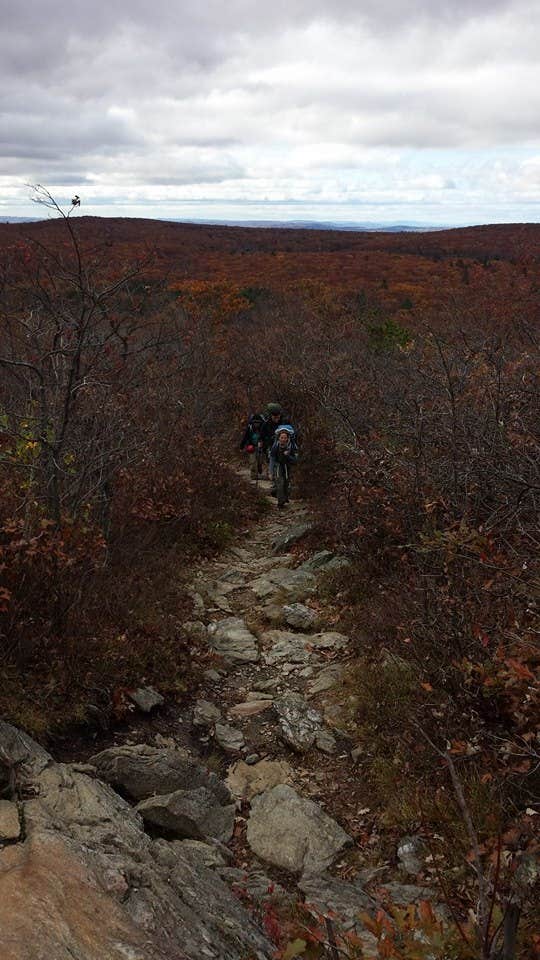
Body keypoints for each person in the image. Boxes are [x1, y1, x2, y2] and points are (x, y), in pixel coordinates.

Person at [263, 402, 293, 483]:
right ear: (271, 415)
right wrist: (262, 442)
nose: (276, 418)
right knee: (272, 458)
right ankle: (273, 478)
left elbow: (292, 431)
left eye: (278, 416)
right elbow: (262, 434)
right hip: (271, 444)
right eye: (274, 416)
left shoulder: (284, 421)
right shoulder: (266, 423)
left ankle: (289, 477)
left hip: (285, 443)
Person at [270, 426, 298, 507]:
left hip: (287, 466)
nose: (283, 439)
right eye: (281, 437)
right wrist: (271, 472)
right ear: (278, 438)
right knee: (280, 482)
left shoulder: (292, 446)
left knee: (286, 483)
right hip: (278, 466)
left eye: (285, 438)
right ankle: (280, 502)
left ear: (288, 438)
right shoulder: (275, 446)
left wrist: (288, 456)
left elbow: (295, 460)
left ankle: (285, 497)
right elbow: (272, 459)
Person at [240, 412, 267, 479]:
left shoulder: (263, 428)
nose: (256, 424)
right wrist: (241, 446)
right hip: (251, 447)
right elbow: (245, 437)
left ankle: (259, 469)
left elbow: (265, 438)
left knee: (259, 461)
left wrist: (264, 446)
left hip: (260, 447)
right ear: (252, 422)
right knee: (253, 461)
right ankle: (254, 475)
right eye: (255, 423)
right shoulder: (250, 428)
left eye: (258, 423)